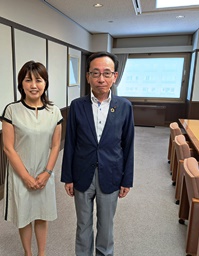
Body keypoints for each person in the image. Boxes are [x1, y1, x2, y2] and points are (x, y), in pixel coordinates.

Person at [61, 52, 134, 256]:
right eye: (95, 73)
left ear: (115, 76)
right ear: (88, 77)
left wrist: (126, 180)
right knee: (83, 224)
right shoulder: (77, 106)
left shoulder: (125, 107)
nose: (101, 79)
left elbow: (128, 146)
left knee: (106, 226)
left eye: (106, 73)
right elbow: (71, 143)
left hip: (111, 174)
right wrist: (68, 177)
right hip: (82, 173)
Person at [0, 61, 63, 256]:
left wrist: (47, 173)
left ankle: (41, 253)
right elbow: (8, 148)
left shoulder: (54, 112)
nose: (34, 85)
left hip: (45, 173)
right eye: (28, 80)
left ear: (45, 83)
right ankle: (28, 253)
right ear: (21, 84)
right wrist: (26, 177)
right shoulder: (12, 110)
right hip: (20, 174)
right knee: (24, 216)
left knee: (42, 215)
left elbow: (55, 145)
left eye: (38, 80)